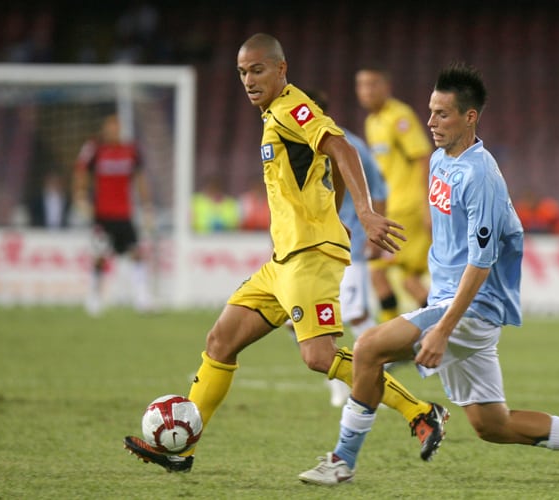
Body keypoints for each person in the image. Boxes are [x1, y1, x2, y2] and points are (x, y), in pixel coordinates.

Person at [299, 63, 559, 488]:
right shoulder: (442, 159)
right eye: (430, 111)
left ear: (470, 117)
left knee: (367, 347)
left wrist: (442, 328)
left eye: (443, 114)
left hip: (470, 307)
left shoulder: (480, 175)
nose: (431, 122)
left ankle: (342, 461)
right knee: (492, 424)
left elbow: (482, 261)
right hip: (451, 300)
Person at [123, 33, 449, 473]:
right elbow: (324, 167)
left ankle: (420, 412)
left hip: (309, 257)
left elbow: (341, 146)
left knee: (318, 355)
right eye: (242, 72)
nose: (248, 80)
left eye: (257, 70)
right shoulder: (272, 115)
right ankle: (182, 448)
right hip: (283, 261)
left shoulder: (294, 108)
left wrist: (366, 214)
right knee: (221, 341)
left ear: (281, 69)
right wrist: (329, 214)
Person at [305, 88, 388, 407]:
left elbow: (379, 187)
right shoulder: (292, 145)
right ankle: (342, 383)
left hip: (347, 246)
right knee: (296, 318)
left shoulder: (350, 145)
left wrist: (373, 229)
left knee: (354, 315)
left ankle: (381, 368)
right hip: (308, 248)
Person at [355, 64, 433, 322]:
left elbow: (423, 157)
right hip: (388, 210)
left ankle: (443, 330)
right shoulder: (372, 121)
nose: (366, 91)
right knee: (380, 271)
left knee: (406, 277)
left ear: (386, 87)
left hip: (408, 208)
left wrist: (428, 206)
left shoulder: (400, 116)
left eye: (372, 84)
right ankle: (394, 338)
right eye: (361, 85)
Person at [72, 114, 154, 315]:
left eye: (117, 128)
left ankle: (142, 298)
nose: (113, 131)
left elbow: (140, 179)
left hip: (124, 214)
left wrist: (147, 207)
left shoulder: (131, 151)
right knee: (99, 256)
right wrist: (80, 196)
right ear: (104, 129)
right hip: (102, 214)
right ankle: (94, 298)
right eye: (110, 127)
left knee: (136, 254)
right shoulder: (95, 149)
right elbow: (81, 171)